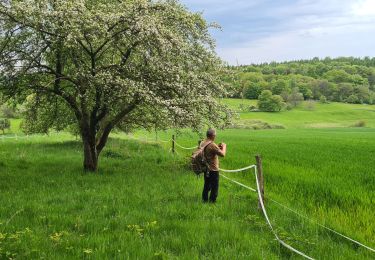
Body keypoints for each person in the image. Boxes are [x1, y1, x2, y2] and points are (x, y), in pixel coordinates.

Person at [200, 129, 226, 203]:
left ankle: (204, 200)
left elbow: (210, 150)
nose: (215, 136)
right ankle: (212, 202)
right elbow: (223, 154)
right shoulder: (212, 144)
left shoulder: (203, 142)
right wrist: (224, 146)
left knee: (206, 185)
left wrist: (217, 147)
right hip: (213, 169)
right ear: (213, 136)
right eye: (215, 135)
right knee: (214, 187)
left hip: (206, 168)